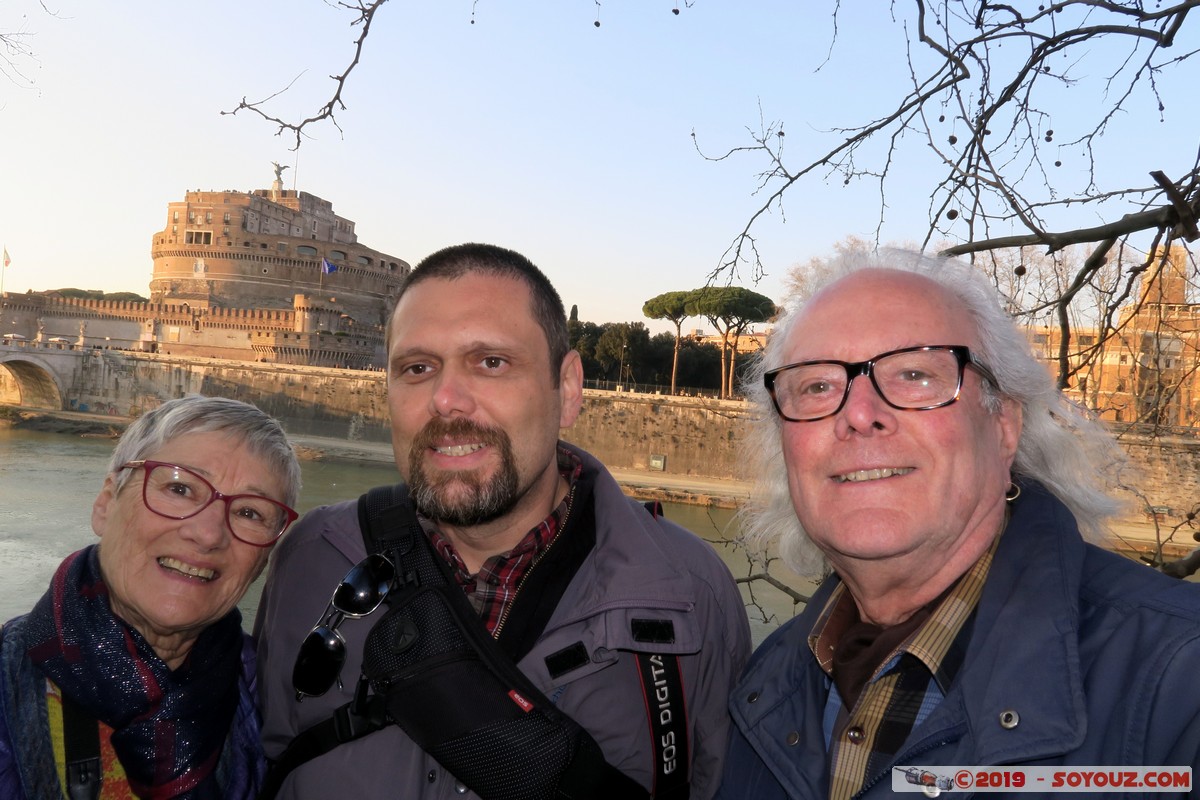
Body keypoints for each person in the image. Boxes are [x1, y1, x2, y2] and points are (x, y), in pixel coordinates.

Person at [255, 243, 751, 799]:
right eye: (417, 368)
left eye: (491, 362)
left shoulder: (692, 595)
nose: (446, 399)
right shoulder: (310, 559)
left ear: (566, 391)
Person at [716, 251, 1200, 799]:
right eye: (818, 387)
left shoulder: (1181, 689)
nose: (858, 413)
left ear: (1004, 426)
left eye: (915, 374)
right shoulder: (767, 682)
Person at [0, 395, 302, 799]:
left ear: (264, 558)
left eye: (250, 513)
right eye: (179, 488)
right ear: (106, 503)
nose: (208, 534)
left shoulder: (281, 700)